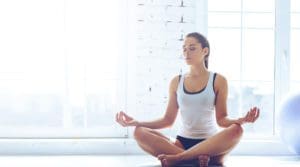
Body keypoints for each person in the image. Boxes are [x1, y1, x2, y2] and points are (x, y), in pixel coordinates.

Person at [116, 32, 260, 167]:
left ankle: (180, 159)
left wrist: (241, 120)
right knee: (139, 132)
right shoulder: (176, 82)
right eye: (184, 49)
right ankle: (196, 160)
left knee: (237, 130)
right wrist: (137, 122)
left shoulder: (218, 80)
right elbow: (167, 120)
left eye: (192, 48)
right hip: (182, 143)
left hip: (210, 144)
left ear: (205, 51)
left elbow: (222, 119)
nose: (186, 53)